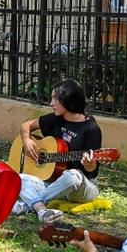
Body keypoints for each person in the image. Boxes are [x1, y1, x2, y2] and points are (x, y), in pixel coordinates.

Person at [18, 79, 103, 223]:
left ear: (69, 101)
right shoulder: (55, 119)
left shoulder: (91, 129)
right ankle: (41, 210)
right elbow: (26, 125)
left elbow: (92, 171)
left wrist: (89, 164)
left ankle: (28, 205)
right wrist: (27, 140)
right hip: (53, 183)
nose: (51, 103)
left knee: (73, 175)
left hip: (81, 187)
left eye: (55, 99)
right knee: (19, 177)